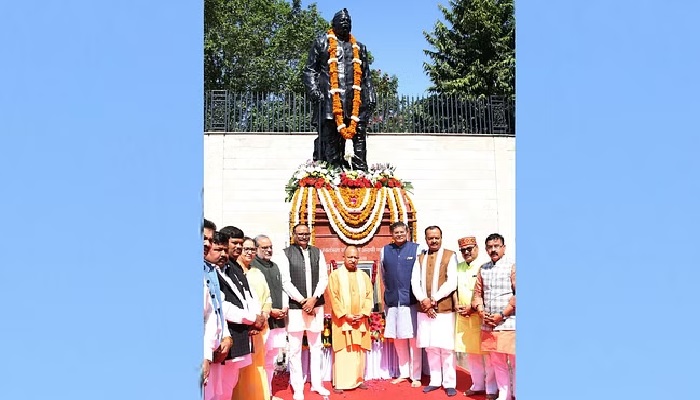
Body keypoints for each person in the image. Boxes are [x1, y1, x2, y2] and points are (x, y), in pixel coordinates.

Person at [302, 8, 376, 171]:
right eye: (342, 21)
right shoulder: (322, 42)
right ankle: (333, 173)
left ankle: (361, 175)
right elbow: (309, 71)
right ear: (333, 24)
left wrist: (371, 95)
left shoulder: (360, 48)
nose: (345, 24)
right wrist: (314, 91)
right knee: (330, 139)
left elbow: (366, 76)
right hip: (330, 100)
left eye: (348, 22)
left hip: (354, 101)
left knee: (359, 139)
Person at [279, 223, 331, 400]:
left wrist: (313, 299)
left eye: (306, 233)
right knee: (294, 349)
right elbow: (285, 281)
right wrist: (302, 301)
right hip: (295, 307)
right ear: (293, 234)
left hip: (316, 305)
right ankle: (298, 387)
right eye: (299, 233)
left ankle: (317, 384)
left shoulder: (318, 252)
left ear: (310, 234)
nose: (303, 236)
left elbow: (324, 278)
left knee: (316, 346)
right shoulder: (285, 253)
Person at [411, 226, 458, 397]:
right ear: (425, 239)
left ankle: (450, 382)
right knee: (430, 347)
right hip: (424, 309)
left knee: (446, 348)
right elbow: (414, 282)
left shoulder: (450, 255)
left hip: (444, 309)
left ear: (441, 237)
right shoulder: (420, 258)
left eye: (437, 237)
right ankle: (435, 380)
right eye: (430, 238)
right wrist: (424, 301)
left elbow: (452, 282)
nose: (434, 241)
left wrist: (434, 299)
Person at [472, 233, 516, 400]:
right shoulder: (483, 268)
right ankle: (504, 395)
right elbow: (477, 294)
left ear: (503, 248)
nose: (493, 249)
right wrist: (481, 311)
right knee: (497, 362)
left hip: (509, 322)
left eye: (496, 246)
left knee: (515, 362)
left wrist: (502, 314)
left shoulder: (512, 266)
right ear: (486, 249)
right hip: (489, 323)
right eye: (490, 247)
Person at [379, 222, 422, 387]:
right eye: (396, 232)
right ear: (391, 234)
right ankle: (403, 372)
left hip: (410, 301)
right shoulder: (385, 251)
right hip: (392, 302)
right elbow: (383, 275)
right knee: (398, 338)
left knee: (413, 338)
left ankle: (416, 375)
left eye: (402, 232)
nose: (399, 235)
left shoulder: (416, 249)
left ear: (407, 232)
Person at [453, 236, 497, 399]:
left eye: (469, 249)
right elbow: (453, 289)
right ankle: (477, 384)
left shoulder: (485, 267)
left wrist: (472, 307)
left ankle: (491, 388)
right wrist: (457, 304)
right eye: (463, 250)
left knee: (488, 354)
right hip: (464, 316)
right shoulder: (458, 267)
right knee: (471, 353)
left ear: (477, 248)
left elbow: (486, 292)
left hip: (480, 315)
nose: (466, 252)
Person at [327, 246, 373, 393]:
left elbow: (369, 296)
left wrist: (364, 312)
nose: (353, 260)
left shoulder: (364, 276)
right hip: (343, 320)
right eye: (350, 257)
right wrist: (344, 314)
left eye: (356, 258)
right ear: (344, 258)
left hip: (360, 320)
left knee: (358, 350)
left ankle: (358, 380)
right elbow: (333, 297)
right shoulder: (335, 275)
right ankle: (341, 383)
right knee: (343, 350)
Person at [230, 237, 272, 400]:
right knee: (241, 369)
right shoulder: (233, 272)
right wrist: (250, 322)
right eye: (246, 249)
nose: (249, 252)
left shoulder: (257, 272)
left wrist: (263, 316)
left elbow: (267, 298)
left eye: (252, 249)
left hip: (260, 328)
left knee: (258, 365)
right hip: (243, 329)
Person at [250, 234, 289, 400]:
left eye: (270, 247)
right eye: (264, 247)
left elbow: (280, 289)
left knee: (271, 358)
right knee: (259, 359)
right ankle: (259, 394)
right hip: (264, 321)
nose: (268, 250)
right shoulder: (253, 267)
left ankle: (268, 393)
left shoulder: (274, 266)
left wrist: (284, 306)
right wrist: (270, 310)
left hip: (278, 320)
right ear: (256, 248)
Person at [203, 231, 239, 400]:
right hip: (205, 351)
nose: (207, 244)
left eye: (210, 241)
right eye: (218, 249)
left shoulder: (212, 270)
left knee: (218, 394)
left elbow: (217, 310)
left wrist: (226, 336)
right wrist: (205, 353)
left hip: (217, 347)